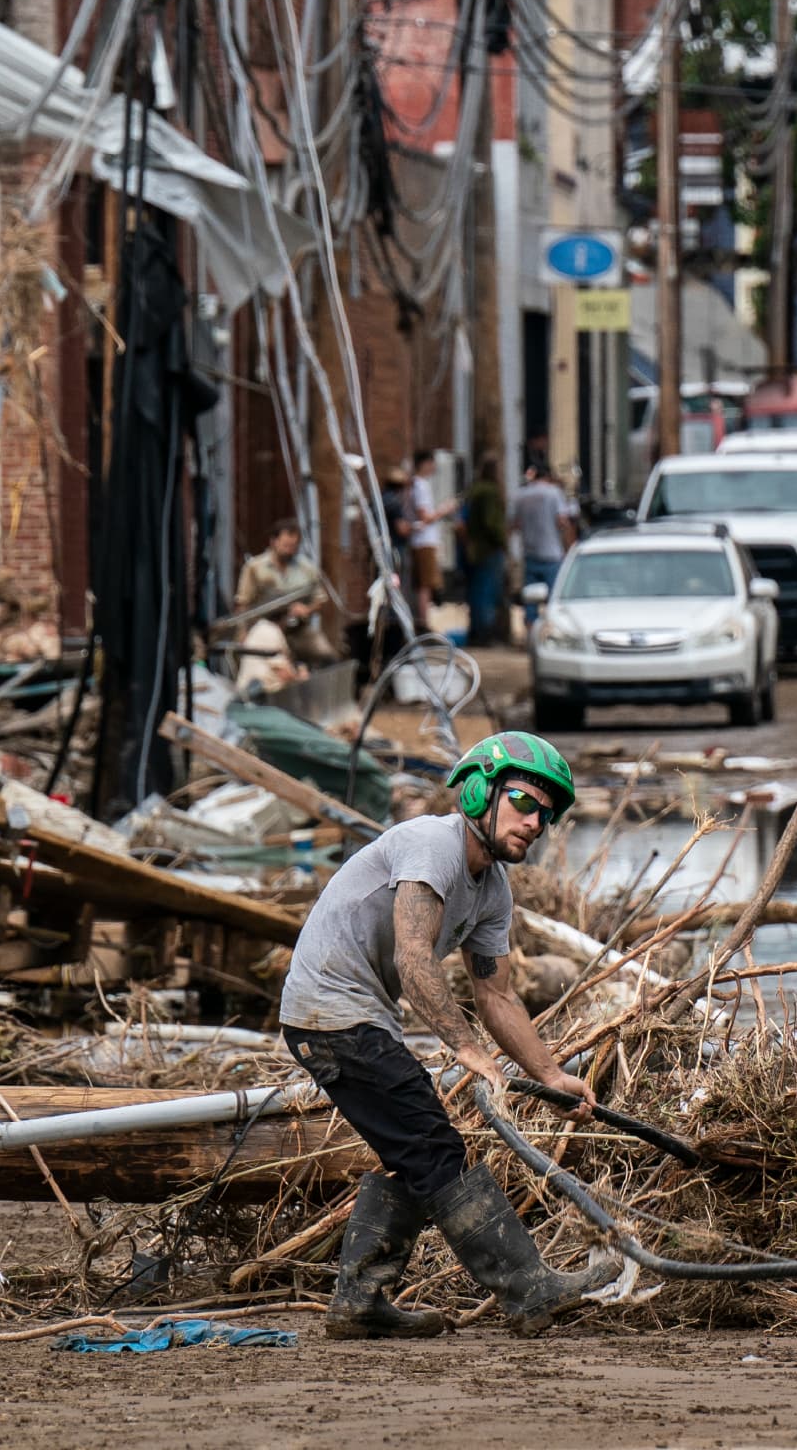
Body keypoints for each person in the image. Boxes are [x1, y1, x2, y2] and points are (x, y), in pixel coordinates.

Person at [278, 732, 617, 1339]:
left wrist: (548, 1075)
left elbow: (497, 994)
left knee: (412, 1149)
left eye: (546, 813)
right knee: (433, 1145)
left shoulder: (493, 890)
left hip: (358, 1017)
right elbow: (414, 957)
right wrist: (466, 1049)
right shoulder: (432, 845)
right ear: (482, 791)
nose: (536, 822)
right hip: (329, 1011)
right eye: (523, 802)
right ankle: (526, 1287)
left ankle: (360, 1302)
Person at [236, 520, 339, 666]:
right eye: (286, 545)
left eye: (293, 546)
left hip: (298, 630)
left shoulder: (306, 568)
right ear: (273, 542)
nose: (290, 550)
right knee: (271, 668)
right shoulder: (255, 568)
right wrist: (243, 633)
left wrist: (306, 609)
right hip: (265, 629)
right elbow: (243, 603)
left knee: (326, 655)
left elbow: (321, 600)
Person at [509, 461, 576, 627]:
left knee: (530, 601)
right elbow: (562, 521)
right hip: (552, 554)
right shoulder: (554, 493)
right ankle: (552, 634)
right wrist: (570, 547)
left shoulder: (520, 495)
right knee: (554, 600)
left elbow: (514, 524)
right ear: (548, 476)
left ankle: (530, 636)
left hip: (529, 553)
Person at [460, 458, 509, 647]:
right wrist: (502, 541)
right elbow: (491, 523)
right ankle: (485, 635)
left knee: (476, 592)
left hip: (473, 549)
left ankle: (475, 631)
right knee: (487, 593)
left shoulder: (473, 491)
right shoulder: (490, 492)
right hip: (488, 549)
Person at [407, 450, 446, 624]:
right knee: (425, 586)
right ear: (423, 464)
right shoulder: (420, 485)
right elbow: (425, 517)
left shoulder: (415, 484)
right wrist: (444, 510)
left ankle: (422, 622)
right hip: (424, 541)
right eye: (431, 463)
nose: (434, 467)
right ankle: (424, 624)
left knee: (424, 585)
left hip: (421, 541)